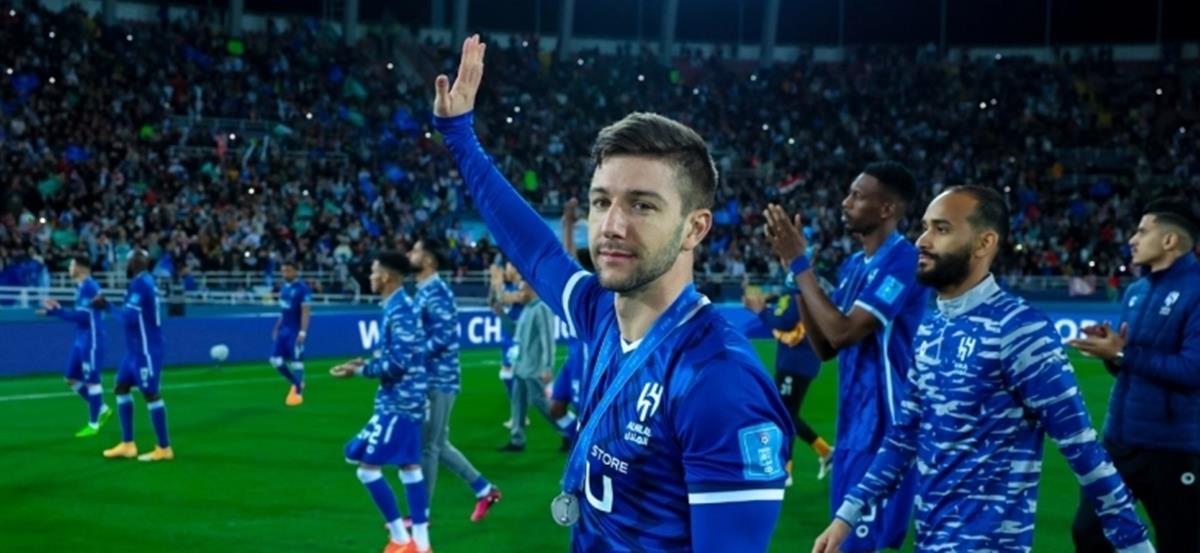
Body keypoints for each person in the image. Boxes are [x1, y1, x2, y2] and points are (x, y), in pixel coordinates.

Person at [433, 35, 793, 552]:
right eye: (602, 202)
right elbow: (535, 250)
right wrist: (460, 136)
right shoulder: (600, 313)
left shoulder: (719, 382)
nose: (612, 226)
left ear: (695, 228)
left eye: (642, 205)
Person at [802, 186, 1154, 553]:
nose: (922, 241)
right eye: (924, 227)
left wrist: (1134, 544)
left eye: (941, 229)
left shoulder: (1020, 330)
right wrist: (847, 516)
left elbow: (1081, 447)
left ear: (984, 243)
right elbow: (903, 437)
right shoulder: (932, 329)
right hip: (930, 543)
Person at [765, 161, 929, 552]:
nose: (845, 202)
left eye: (857, 196)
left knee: (850, 547)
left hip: (886, 429)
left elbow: (843, 331)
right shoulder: (854, 265)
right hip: (852, 427)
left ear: (887, 209)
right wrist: (794, 274)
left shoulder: (904, 261)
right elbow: (825, 345)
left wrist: (801, 266)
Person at [1069, 198, 1200, 552]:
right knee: (1089, 532)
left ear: (1170, 240)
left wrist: (1123, 354)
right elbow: (1128, 363)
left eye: (1142, 231)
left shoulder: (1196, 291)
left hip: (1173, 448)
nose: (1132, 239)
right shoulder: (1136, 292)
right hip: (1120, 440)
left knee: (1181, 543)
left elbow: (1193, 370)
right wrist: (1112, 351)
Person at [331, 252, 432, 553]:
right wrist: (364, 363)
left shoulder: (400, 310)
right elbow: (396, 356)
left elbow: (399, 363)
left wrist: (359, 372)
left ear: (386, 277)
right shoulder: (396, 306)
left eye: (374, 271)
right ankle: (422, 544)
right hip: (403, 400)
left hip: (400, 404)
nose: (371, 276)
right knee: (405, 465)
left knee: (367, 469)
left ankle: (401, 540)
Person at [409, 238, 503, 523]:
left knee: (428, 447)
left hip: (439, 380)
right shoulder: (423, 291)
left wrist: (410, 356)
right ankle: (484, 489)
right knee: (438, 443)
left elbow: (442, 338)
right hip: (431, 378)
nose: (409, 254)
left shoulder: (437, 292)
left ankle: (420, 516)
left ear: (428, 260)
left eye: (416, 250)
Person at [741, 278, 830, 485]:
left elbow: (784, 321)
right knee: (787, 414)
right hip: (803, 362)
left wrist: (761, 310)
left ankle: (793, 465)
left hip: (794, 363)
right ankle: (817, 455)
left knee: (784, 414)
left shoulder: (796, 295)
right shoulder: (810, 293)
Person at [96, 250, 174, 462]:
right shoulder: (141, 282)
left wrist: (107, 306)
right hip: (134, 350)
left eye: (129, 261)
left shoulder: (141, 283)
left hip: (146, 350)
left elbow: (129, 318)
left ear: (136, 263)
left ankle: (164, 448)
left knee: (151, 394)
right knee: (121, 387)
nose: (126, 265)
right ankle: (128, 444)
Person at [40, 254, 111, 437]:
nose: (69, 269)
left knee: (92, 380)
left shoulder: (90, 287)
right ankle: (102, 409)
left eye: (71, 265)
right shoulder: (80, 287)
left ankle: (93, 425)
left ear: (80, 267)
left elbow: (83, 316)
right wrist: (56, 311)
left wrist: (57, 312)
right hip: (81, 338)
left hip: (92, 339)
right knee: (71, 378)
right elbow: (79, 313)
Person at [496, 286, 566, 452]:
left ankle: (567, 431)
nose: (519, 294)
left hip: (534, 367)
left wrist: (547, 367)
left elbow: (548, 340)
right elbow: (514, 331)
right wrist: (501, 315)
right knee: (517, 402)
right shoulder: (527, 309)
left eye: (522, 291)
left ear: (532, 291)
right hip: (520, 366)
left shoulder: (542, 308)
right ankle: (517, 439)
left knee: (541, 402)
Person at [271, 259, 311, 406]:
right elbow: (284, 311)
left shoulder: (302, 289)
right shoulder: (284, 288)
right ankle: (296, 382)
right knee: (275, 360)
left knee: (297, 363)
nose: (285, 273)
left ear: (295, 271)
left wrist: (303, 332)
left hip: (295, 330)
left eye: (288, 270)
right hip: (284, 330)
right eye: (283, 271)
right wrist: (277, 326)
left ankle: (298, 394)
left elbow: (306, 312)